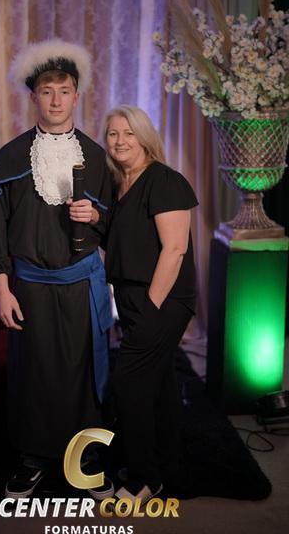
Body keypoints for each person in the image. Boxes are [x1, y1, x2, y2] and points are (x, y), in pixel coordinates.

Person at [0, 39, 113, 500]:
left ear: (77, 95)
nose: (56, 100)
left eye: (65, 90)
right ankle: (32, 460)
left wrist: (95, 216)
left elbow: (114, 224)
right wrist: (2, 288)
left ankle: (86, 458)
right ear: (34, 96)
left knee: (82, 373)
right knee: (33, 374)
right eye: (47, 91)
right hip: (30, 287)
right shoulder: (11, 156)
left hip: (81, 285)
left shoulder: (96, 156)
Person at [103, 105, 198, 505]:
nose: (120, 141)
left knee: (129, 385)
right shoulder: (119, 184)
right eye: (113, 134)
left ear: (144, 137)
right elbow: (122, 243)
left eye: (129, 133)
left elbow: (174, 250)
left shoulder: (164, 180)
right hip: (131, 299)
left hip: (163, 299)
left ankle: (147, 478)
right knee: (157, 384)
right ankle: (169, 465)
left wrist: (150, 308)